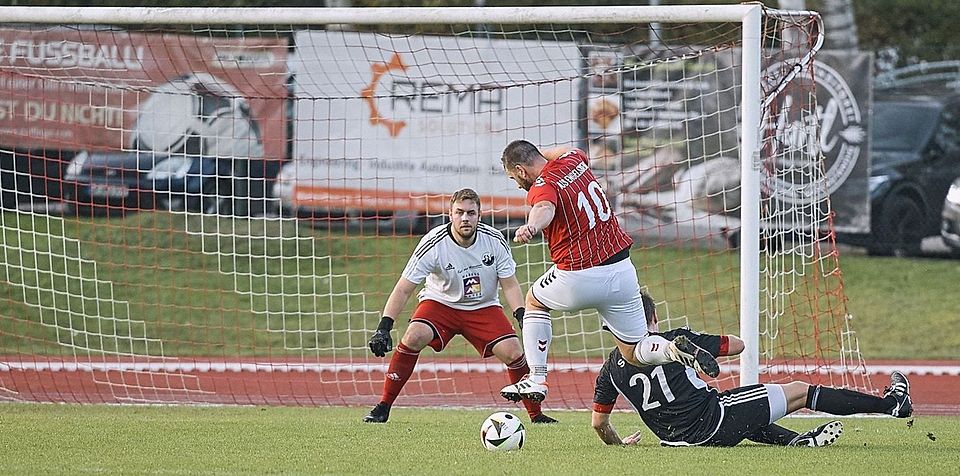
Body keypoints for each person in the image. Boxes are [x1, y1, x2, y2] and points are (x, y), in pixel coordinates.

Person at [498, 140, 719, 404]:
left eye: (514, 178)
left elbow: (545, 208)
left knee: (534, 301)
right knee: (635, 351)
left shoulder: (541, 185)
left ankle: (536, 378)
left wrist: (532, 227)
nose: (517, 183)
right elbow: (562, 151)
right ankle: (672, 349)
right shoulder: (573, 161)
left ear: (521, 170)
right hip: (622, 272)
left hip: (579, 275)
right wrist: (536, 153)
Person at [591, 287, 914, 447]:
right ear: (652, 319)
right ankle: (892, 405)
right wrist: (700, 342)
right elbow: (737, 345)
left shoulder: (609, 371)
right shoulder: (674, 336)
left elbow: (599, 424)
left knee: (746, 404)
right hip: (711, 422)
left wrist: (619, 445)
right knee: (798, 391)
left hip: (675, 439)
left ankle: (793, 442)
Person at [364, 188, 557, 424]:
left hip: (483, 307)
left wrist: (521, 316)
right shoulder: (433, 243)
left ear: (479, 214)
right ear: (450, 214)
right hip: (440, 304)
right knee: (414, 336)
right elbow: (404, 287)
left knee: (514, 352)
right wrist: (384, 326)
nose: (465, 218)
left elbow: (509, 285)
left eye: (471, 213)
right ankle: (383, 406)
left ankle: (536, 416)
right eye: (460, 213)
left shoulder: (495, 241)